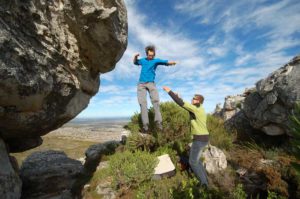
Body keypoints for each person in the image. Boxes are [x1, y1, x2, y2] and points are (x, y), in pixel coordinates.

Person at [162, 86, 209, 186]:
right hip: (203, 138)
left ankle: (204, 184)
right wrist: (179, 97)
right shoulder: (199, 109)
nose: (192, 99)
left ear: (198, 101)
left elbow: (181, 104)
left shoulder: (197, 108)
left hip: (200, 139)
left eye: (194, 98)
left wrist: (169, 91)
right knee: (197, 161)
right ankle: (205, 180)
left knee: (193, 162)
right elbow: (186, 107)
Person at [133, 45, 176, 133]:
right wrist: (135, 57)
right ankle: (145, 127)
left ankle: (159, 124)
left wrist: (171, 63)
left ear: (154, 55)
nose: (151, 57)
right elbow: (135, 62)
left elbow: (164, 62)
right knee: (143, 104)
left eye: (152, 55)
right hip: (141, 84)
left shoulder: (155, 60)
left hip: (151, 84)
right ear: (147, 54)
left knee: (156, 102)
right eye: (149, 55)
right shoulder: (143, 60)